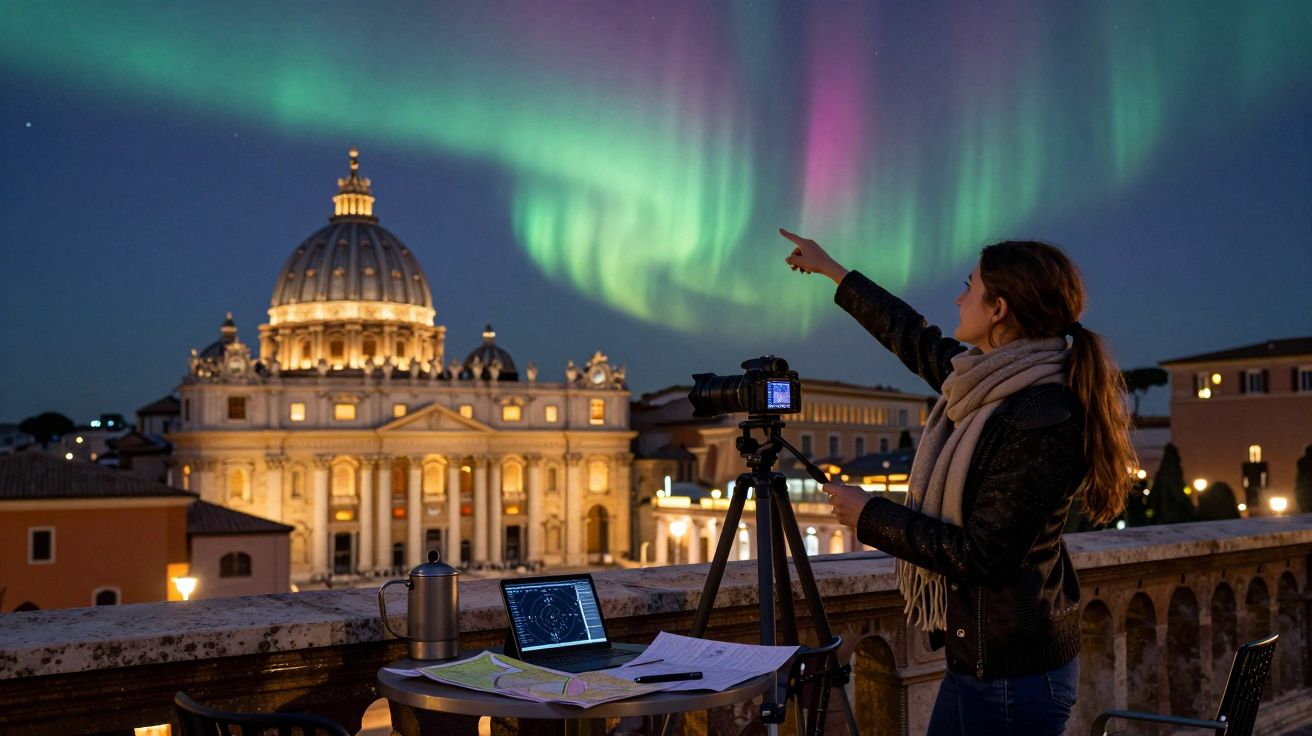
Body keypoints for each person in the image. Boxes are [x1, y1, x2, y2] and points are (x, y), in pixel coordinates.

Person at [781, 228, 1135, 736]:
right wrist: (834, 271)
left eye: (970, 286)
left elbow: (984, 554)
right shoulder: (991, 381)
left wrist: (870, 515)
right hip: (980, 658)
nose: (958, 297)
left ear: (999, 309)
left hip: (1015, 675)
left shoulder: (1041, 415)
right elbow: (912, 336)